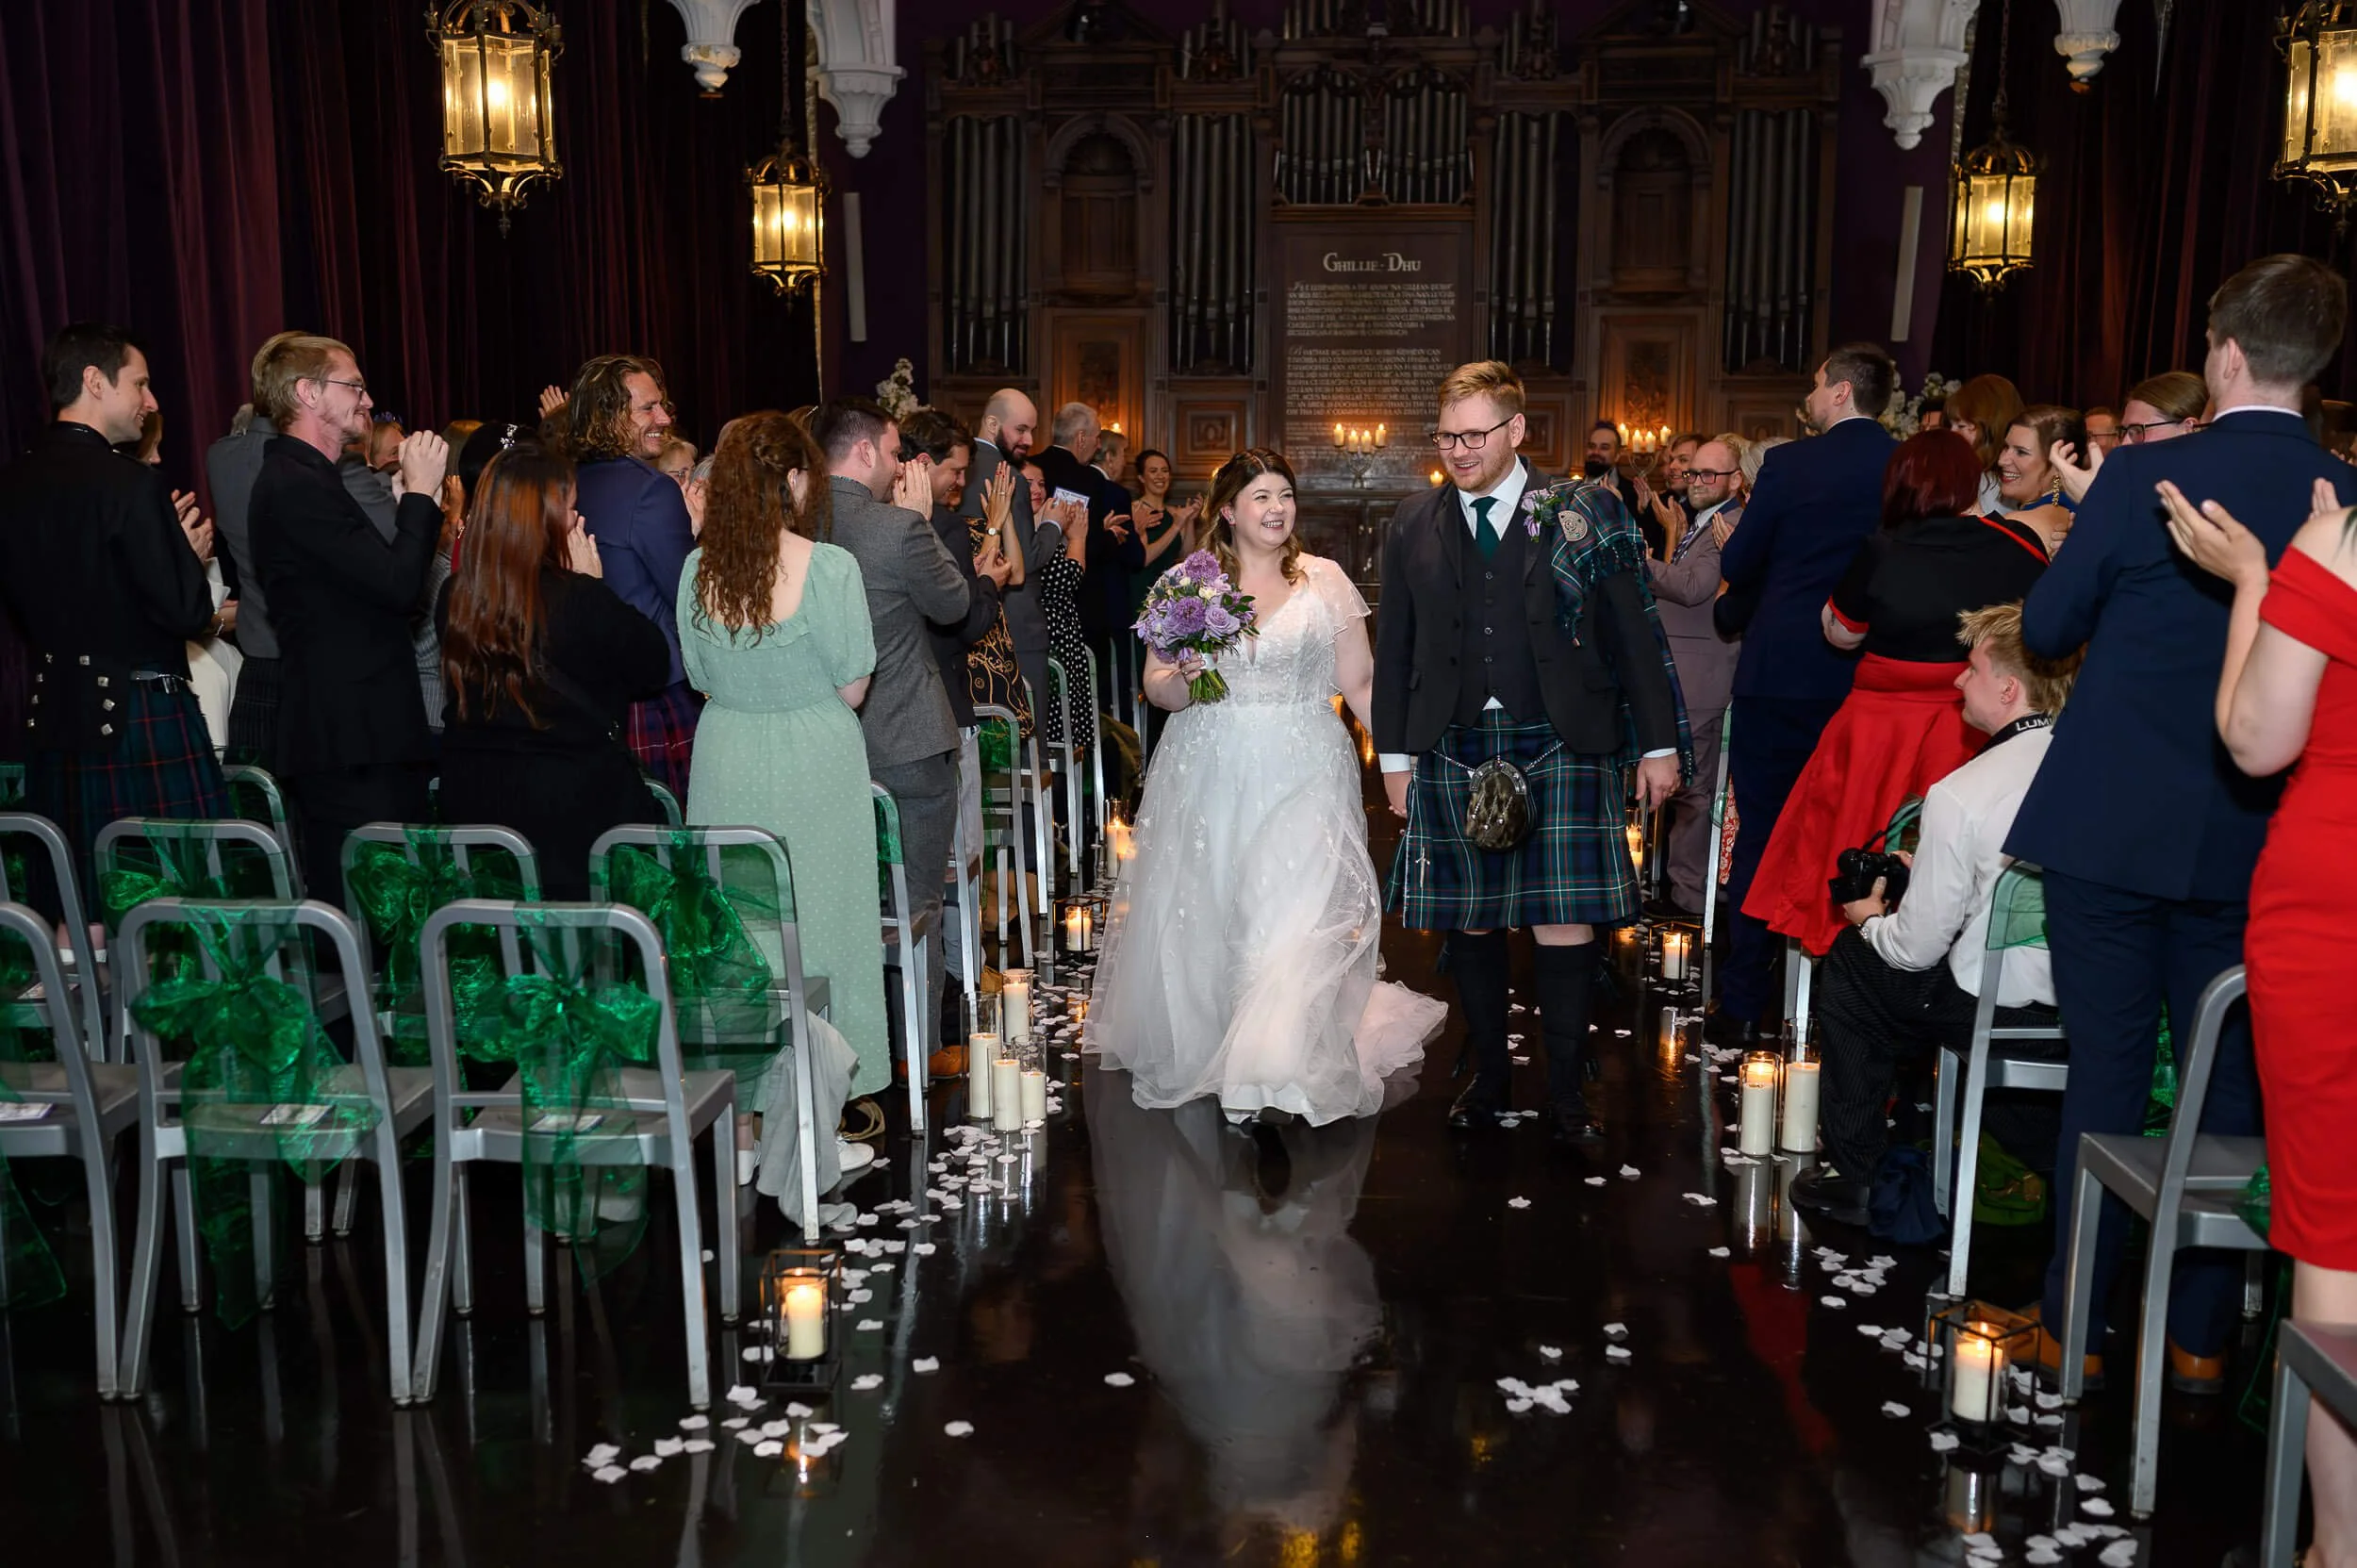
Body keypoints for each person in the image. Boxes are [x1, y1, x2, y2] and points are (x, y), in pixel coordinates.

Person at [2006, 253, 2356, 1391]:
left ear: (2227, 354)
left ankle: (2074, 1333)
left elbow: (2049, 627)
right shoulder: (2343, 501)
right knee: (2235, 1091)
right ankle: (2199, 1347)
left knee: (2101, 1076)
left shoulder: (2150, 476)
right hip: (2260, 835)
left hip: (2111, 820)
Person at [1376, 362, 1687, 1144]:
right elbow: (1396, 651)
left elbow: (1634, 635)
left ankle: (1567, 1087)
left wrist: (1656, 744)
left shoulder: (1585, 510)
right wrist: (1394, 759)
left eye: (1475, 434)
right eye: (1448, 435)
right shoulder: (1413, 522)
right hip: (1451, 742)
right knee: (1473, 922)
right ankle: (1488, 1074)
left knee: (1563, 918)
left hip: (1563, 736)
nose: (1459, 449)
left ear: (1516, 430)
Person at [1088, 448, 1444, 1123]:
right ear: (1228, 509)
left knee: (1295, 915)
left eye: (1285, 494)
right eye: (1261, 496)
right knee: (1225, 910)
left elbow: (1360, 684)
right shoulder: (1186, 587)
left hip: (1307, 764)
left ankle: (1274, 1063)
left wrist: (1397, 763)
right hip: (1212, 765)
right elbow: (1155, 687)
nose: (1277, 507)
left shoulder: (1326, 580)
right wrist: (1186, 678)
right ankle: (1219, 1044)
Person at [2162, 472, 2357, 1566]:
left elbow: (2251, 738)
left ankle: (2338, 1543)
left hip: (2337, 908)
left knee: (2338, 1228)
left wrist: (2252, 581)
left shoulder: (2335, 542)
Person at [1788, 601, 2079, 1225]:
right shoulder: (2097, 764)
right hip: (2085, 1001)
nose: (1956, 680)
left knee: (1853, 964)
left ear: (2007, 687)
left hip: (1998, 1006)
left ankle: (1859, 1172)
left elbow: (1915, 949)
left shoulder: (1961, 793)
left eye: (1970, 669)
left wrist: (1867, 917)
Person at [1743, 429, 2048, 960]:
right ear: (1971, 480)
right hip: (1977, 729)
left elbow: (1841, 631)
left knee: (1842, 845)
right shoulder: (2021, 547)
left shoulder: (1883, 548)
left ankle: (1847, 962)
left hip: (1876, 730)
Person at [676, 413, 871, 1213]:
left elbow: (696, 676)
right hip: (816, 761)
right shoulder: (828, 568)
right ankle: (813, 1130)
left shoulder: (696, 571)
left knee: (739, 950)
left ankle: (746, 1140)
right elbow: (855, 683)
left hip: (724, 758)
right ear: (794, 481)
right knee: (819, 937)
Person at [1708, 343, 1899, 1045]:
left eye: (1817, 383)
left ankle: (1742, 1003)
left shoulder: (1790, 464)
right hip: (1863, 679)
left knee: (1762, 834)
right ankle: (1839, 1009)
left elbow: (1737, 560)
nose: (1811, 395)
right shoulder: (1899, 464)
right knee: (1856, 837)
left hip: (1782, 673)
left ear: (1842, 391)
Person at [0, 323, 225, 906]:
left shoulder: (13, 480)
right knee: (175, 900)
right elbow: (186, 611)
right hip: (140, 708)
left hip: (55, 708)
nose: (150, 403)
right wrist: (188, 557)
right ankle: (156, 998)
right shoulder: (128, 483)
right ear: (95, 382)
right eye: (141, 384)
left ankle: (78, 991)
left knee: (77, 902)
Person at [249, 334, 448, 900]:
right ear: (308, 394)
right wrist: (422, 497)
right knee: (366, 918)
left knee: (380, 914)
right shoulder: (296, 484)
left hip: (357, 731)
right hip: (347, 736)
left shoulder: (311, 479)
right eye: (353, 386)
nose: (366, 399)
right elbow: (398, 587)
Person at [812, 396, 969, 1083]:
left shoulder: (794, 526)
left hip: (824, 745)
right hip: (906, 738)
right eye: (897, 449)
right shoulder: (897, 528)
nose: (903, 462)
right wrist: (922, 524)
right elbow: (955, 604)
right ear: (868, 451)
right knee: (916, 906)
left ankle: (844, 1057)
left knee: (839, 904)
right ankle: (915, 1052)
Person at [434, 446, 668, 900]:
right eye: (570, 505)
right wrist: (594, 585)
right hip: (574, 815)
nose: (578, 517)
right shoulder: (579, 598)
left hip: (478, 810)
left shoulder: (455, 596)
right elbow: (652, 665)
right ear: (543, 518)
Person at [567, 355, 701, 797]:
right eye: (648, 408)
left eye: (663, 406)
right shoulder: (652, 490)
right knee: (679, 838)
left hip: (589, 689)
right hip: (659, 691)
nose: (663, 418)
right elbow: (689, 597)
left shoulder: (566, 482)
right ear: (608, 417)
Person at [1648, 433, 1746, 916]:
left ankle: (1692, 899)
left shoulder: (1731, 523)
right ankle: (1686, 891)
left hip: (1704, 677)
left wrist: (1636, 560)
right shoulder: (1704, 522)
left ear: (1736, 479)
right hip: (1687, 673)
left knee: (1695, 792)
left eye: (1710, 474)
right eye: (1693, 473)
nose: (1698, 481)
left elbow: (1694, 588)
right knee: (1687, 787)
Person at [209, 332, 311, 767]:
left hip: (260, 664)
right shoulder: (314, 463)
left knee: (260, 820)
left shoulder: (223, 455)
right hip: (314, 669)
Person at [964, 388, 1059, 711]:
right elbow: (1027, 560)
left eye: (1032, 430)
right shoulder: (1008, 477)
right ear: (992, 423)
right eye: (1021, 429)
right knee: (1030, 748)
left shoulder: (958, 468)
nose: (1030, 440)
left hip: (964, 622)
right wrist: (1053, 525)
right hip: (1013, 623)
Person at [1032, 401, 1146, 669]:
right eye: (1096, 439)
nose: (1098, 446)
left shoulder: (1030, 467)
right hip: (1076, 601)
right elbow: (1089, 544)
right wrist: (1110, 537)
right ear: (1082, 438)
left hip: (1032, 593)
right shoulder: (1087, 478)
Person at [1021, 462, 1096, 755]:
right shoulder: (1028, 530)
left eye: (1041, 483)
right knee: (1053, 733)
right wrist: (1079, 538)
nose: (1038, 490)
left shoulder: (1045, 524)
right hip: (1047, 634)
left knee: (1070, 738)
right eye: (1028, 483)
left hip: (1065, 633)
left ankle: (1070, 797)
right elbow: (1066, 580)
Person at [1994, 405, 2083, 553]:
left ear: (2059, 463)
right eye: (2005, 447)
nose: (2002, 461)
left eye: (2021, 452)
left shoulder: (2018, 525)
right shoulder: (2078, 510)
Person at [1943, 372, 2025, 516]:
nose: (1952, 433)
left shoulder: (1989, 483)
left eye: (1961, 426)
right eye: (1951, 425)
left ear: (1990, 427)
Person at [1584, 419, 1653, 553]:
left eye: (1604, 448)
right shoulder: (1570, 490)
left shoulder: (1633, 494)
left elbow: (1644, 544)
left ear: (1617, 455)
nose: (1595, 452)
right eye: (1592, 446)